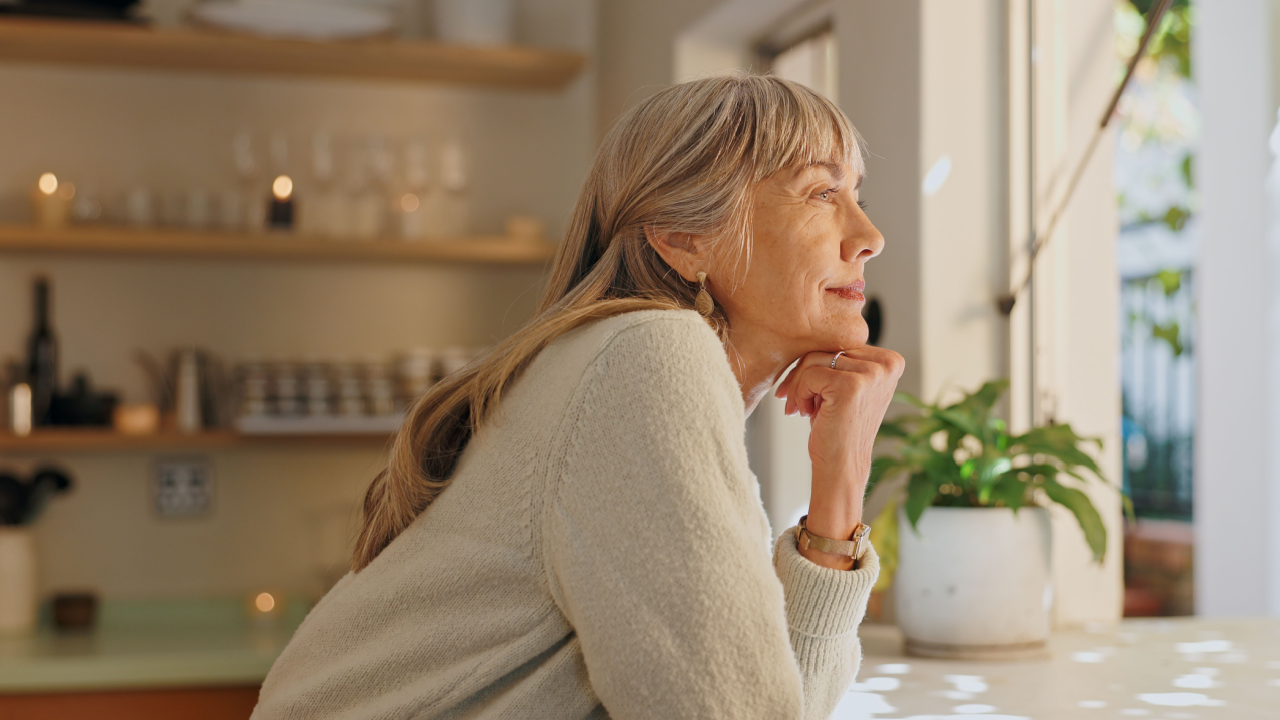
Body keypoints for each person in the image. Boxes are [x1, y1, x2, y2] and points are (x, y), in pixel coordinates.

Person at [252, 73, 904, 720]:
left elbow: (775, 701)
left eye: (857, 194)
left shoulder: (628, 363)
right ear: (683, 238)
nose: (869, 235)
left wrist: (841, 480)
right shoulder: (648, 354)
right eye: (822, 193)